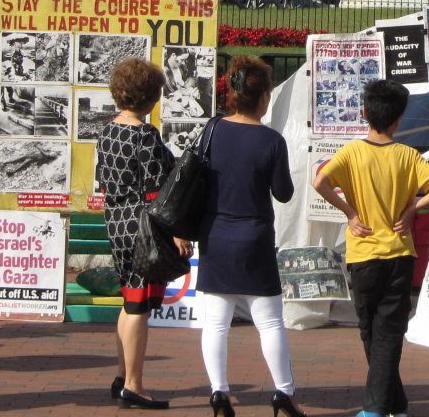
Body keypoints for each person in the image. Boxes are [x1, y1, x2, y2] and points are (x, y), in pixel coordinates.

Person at [312, 80, 429, 417]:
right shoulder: (407, 156)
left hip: (363, 255)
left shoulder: (351, 153)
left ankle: (374, 409)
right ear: (397, 120)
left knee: (372, 331)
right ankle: (395, 404)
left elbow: (320, 182)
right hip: (399, 254)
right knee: (384, 332)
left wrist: (350, 213)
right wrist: (411, 209)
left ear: (364, 113)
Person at [197, 57, 304, 417]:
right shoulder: (272, 140)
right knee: (270, 321)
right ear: (264, 97)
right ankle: (283, 393)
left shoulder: (211, 131)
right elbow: (284, 192)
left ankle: (218, 392)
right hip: (255, 235)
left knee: (215, 322)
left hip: (215, 235)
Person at [96, 58, 191, 410]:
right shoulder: (144, 135)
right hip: (142, 226)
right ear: (149, 96)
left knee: (128, 301)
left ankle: (123, 376)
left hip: (116, 220)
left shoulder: (108, 131)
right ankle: (135, 384)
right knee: (139, 307)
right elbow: (157, 193)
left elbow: (106, 180)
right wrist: (177, 233)